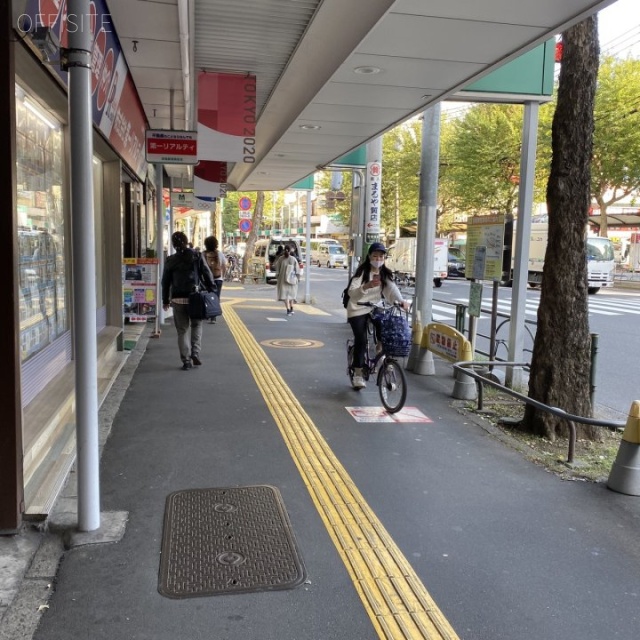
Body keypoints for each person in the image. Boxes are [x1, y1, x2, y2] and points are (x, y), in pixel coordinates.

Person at [346, 242, 409, 389]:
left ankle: (383, 358)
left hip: (374, 308)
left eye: (381, 256)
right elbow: (352, 293)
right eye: (375, 255)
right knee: (361, 339)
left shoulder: (384, 274)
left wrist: (401, 301)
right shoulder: (362, 273)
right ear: (369, 257)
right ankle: (358, 373)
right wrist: (367, 286)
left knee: (386, 329)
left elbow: (391, 289)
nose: (378, 259)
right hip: (357, 308)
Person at [161, 231, 216, 370]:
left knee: (182, 330)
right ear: (186, 241)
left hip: (177, 299)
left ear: (173, 245)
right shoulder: (197, 255)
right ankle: (195, 353)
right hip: (195, 297)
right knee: (196, 325)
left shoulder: (170, 260)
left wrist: (165, 300)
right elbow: (206, 272)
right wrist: (211, 287)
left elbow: (165, 282)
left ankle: (185, 361)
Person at [203, 235, 227, 323]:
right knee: (216, 297)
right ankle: (213, 317)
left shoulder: (203, 254)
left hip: (206, 279)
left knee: (206, 296)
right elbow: (224, 266)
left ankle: (206, 313)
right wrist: (222, 276)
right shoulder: (219, 253)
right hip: (218, 278)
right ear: (216, 244)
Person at [274, 245, 299, 316]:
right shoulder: (293, 259)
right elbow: (297, 270)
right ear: (290, 250)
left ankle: (288, 310)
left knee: (285, 296)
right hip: (292, 280)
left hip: (282, 280)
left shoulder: (280, 259)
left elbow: (277, 270)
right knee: (291, 295)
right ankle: (291, 308)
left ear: (284, 250)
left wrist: (277, 277)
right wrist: (298, 278)